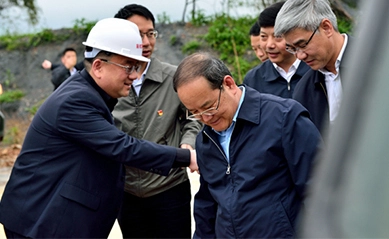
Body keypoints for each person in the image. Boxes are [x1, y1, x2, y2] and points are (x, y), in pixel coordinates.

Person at [0, 18, 197, 239]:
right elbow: (123, 147)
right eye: (128, 67)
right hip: (42, 221)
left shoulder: (89, 93)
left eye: (137, 67)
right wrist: (186, 157)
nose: (134, 75)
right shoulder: (75, 101)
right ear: (98, 66)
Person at [173, 52, 323, 238]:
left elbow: (318, 190)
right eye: (194, 112)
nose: (205, 118)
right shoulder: (205, 140)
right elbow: (207, 208)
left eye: (209, 106)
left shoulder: (285, 118)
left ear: (228, 84)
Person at [112, 4, 202, 238]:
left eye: (150, 33)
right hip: (127, 190)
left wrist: (188, 142)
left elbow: (194, 116)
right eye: (137, 34)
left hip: (170, 187)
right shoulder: (108, 85)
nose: (146, 42)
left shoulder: (175, 77)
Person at [274, 0, 350, 135]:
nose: (299, 56)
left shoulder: (377, 60)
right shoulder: (304, 90)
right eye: (292, 49)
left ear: (326, 27)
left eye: (302, 45)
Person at [243, 1, 310, 99]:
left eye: (277, 36)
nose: (269, 45)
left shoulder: (315, 69)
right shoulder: (253, 79)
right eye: (263, 37)